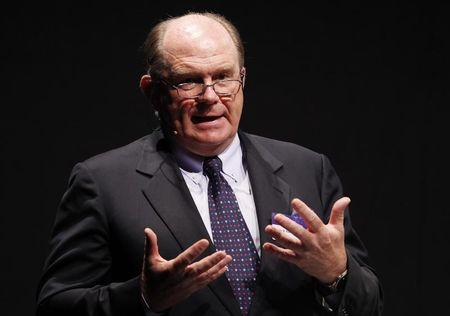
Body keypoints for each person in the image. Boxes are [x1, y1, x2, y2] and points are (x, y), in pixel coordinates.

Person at [36, 11, 383, 316]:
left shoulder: (308, 169)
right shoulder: (102, 182)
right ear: (152, 91)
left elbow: (369, 305)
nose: (210, 96)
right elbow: (56, 305)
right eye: (188, 80)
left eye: (223, 77)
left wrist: (336, 273)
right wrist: (143, 297)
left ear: (242, 79)